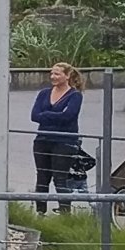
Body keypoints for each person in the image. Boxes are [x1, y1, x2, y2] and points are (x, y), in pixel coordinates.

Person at [29, 60, 89, 215]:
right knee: (42, 177)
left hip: (64, 141)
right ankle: (40, 212)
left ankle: (64, 212)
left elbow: (69, 116)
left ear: (67, 76)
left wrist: (46, 115)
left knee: (60, 178)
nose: (53, 76)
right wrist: (55, 116)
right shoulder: (44, 93)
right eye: (52, 73)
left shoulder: (75, 95)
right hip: (42, 140)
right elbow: (34, 116)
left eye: (57, 74)